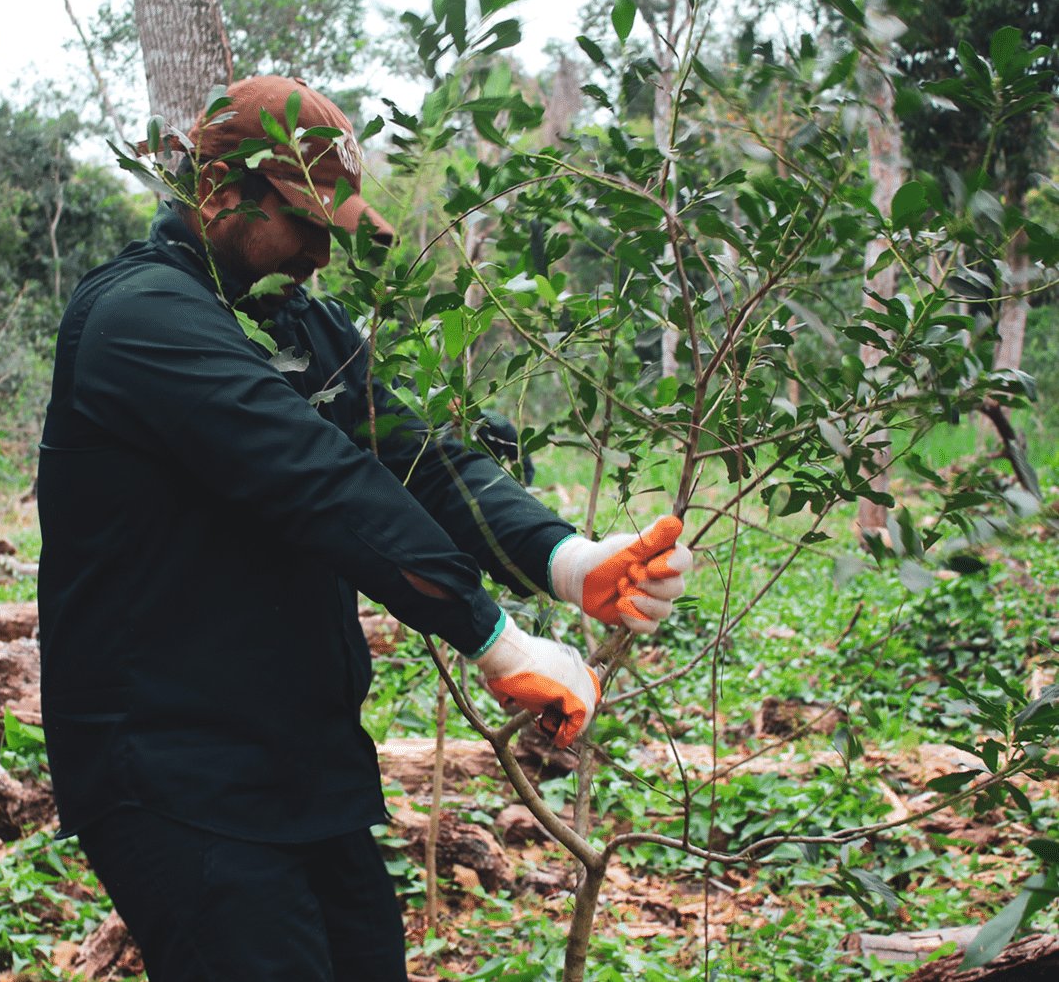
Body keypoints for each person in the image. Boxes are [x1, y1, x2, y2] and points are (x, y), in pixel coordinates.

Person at [35, 76, 692, 982]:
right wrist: (492, 637)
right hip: (170, 771)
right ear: (221, 195)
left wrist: (571, 561)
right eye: (303, 223)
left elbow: (412, 459)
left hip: (299, 761)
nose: (319, 255)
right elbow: (319, 480)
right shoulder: (138, 320)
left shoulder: (295, 321)